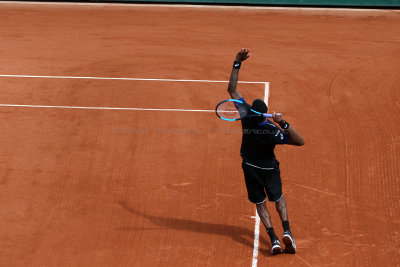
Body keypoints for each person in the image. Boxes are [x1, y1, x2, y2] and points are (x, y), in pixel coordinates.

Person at [227, 48, 305, 255]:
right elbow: (300, 141)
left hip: (250, 168)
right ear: (265, 114)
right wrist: (283, 123)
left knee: (260, 204)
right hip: (269, 169)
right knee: (278, 199)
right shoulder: (272, 131)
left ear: (252, 111)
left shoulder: (245, 117)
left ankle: (274, 240)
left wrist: (237, 62)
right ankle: (287, 231)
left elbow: (232, 90)